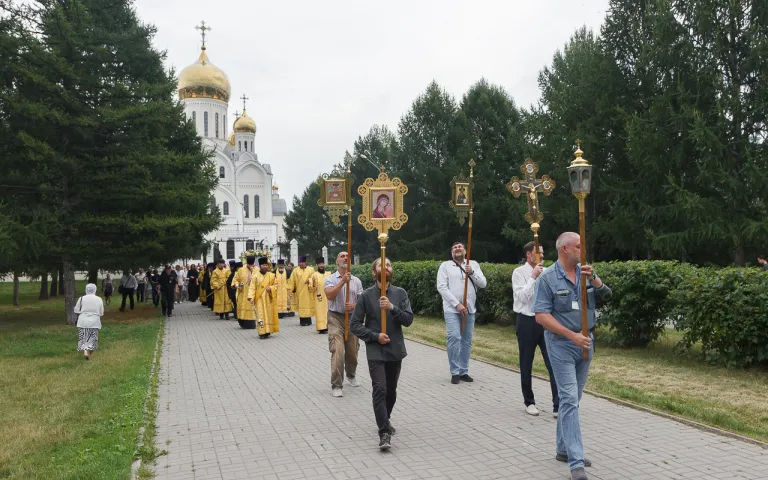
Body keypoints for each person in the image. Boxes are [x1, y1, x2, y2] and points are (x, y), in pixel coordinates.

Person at [534, 232, 612, 480]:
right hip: (561, 345)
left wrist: (595, 279)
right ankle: (576, 462)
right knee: (568, 398)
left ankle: (563, 449)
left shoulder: (586, 273)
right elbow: (541, 316)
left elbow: (607, 296)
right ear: (564, 249)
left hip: (586, 344)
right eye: (578, 246)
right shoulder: (547, 278)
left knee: (573, 400)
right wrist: (571, 335)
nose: (582, 249)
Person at [350, 258, 414, 451]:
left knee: (391, 392)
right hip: (376, 349)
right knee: (380, 388)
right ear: (373, 272)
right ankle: (384, 432)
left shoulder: (400, 293)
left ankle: (385, 418)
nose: (386, 267)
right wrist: (375, 336)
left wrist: (392, 308)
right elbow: (355, 325)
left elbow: (408, 320)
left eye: (388, 265)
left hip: (395, 349)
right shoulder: (366, 296)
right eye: (381, 265)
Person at [513, 242, 559, 417]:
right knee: (526, 362)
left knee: (553, 363)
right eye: (537, 252)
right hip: (526, 320)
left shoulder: (547, 272)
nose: (541, 256)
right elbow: (522, 298)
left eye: (542, 252)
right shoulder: (519, 273)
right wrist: (533, 277)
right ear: (528, 254)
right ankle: (529, 402)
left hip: (546, 320)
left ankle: (558, 404)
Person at [436, 241, 487, 384]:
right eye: (454, 247)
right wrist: (457, 304)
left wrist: (472, 273)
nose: (457, 249)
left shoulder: (473, 264)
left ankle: (464, 370)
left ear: (465, 251)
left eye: (460, 247)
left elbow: (483, 284)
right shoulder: (445, 266)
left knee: (466, 341)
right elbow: (442, 287)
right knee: (454, 337)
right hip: (452, 309)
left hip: (469, 309)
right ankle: (455, 371)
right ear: (451, 252)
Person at [324, 251, 363, 397]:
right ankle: (336, 384)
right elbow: (330, 295)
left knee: (353, 352)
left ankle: (351, 374)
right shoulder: (330, 279)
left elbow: (362, 302)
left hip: (352, 319)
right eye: (342, 256)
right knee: (338, 350)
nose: (346, 258)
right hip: (335, 318)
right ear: (337, 261)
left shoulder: (357, 281)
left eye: (347, 256)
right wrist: (342, 282)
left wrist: (353, 306)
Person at [248, 257, 280, 338]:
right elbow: (252, 287)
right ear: (260, 266)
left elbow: (276, 286)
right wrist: (251, 297)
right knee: (261, 315)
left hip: (269, 299)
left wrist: (271, 288)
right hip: (259, 299)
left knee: (268, 315)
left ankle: (268, 330)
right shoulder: (255, 276)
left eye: (266, 265)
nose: (265, 267)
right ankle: (262, 332)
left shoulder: (271, 276)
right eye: (263, 265)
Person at [74, 283, 104, 360]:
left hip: (83, 321)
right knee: (93, 339)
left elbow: (76, 310)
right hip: (94, 321)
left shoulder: (81, 298)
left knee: (83, 338)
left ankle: (85, 351)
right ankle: (89, 354)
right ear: (95, 289)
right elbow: (101, 313)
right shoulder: (99, 299)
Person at [287, 256, 315, 326]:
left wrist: (310, 280)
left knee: (308, 306)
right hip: (299, 292)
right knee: (301, 307)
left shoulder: (311, 269)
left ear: (305, 262)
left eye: (302, 262)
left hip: (308, 292)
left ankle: (308, 321)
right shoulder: (295, 270)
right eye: (300, 262)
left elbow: (314, 278)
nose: (301, 264)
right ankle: (302, 322)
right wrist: (291, 289)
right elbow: (292, 280)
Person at [233, 257, 257, 328]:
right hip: (243, 294)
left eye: (252, 264)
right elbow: (236, 279)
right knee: (242, 309)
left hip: (253, 294)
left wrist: (253, 273)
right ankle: (242, 322)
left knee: (251, 310)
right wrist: (237, 285)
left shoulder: (257, 270)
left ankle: (251, 324)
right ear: (247, 263)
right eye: (249, 264)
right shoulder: (241, 270)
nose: (250, 266)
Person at [311, 257, 332, 334]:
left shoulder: (329, 274)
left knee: (328, 311)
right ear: (317, 265)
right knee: (319, 312)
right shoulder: (314, 275)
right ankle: (321, 328)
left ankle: (328, 326)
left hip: (328, 296)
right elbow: (311, 288)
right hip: (319, 297)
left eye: (322, 264)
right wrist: (311, 283)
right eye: (319, 264)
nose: (321, 265)